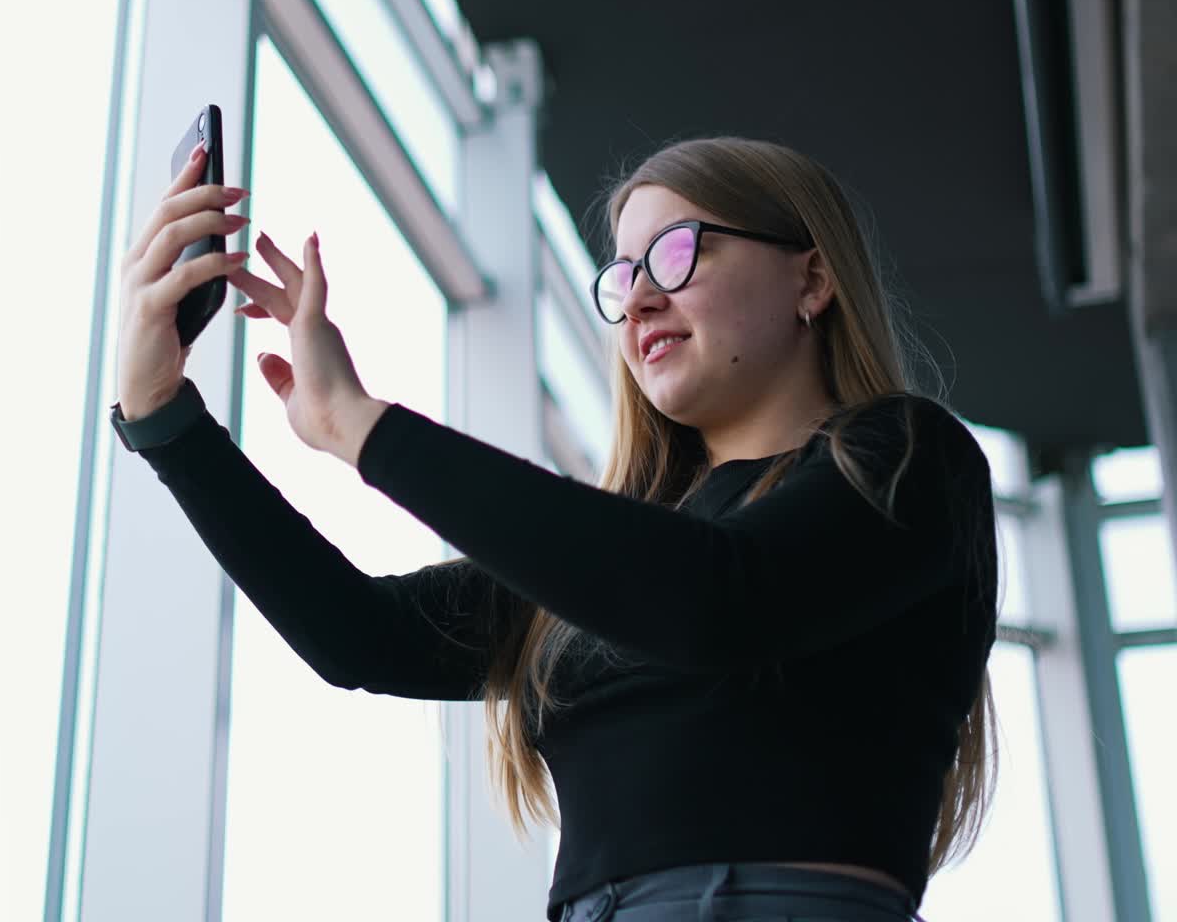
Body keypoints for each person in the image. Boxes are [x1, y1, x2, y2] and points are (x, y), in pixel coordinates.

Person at [113, 134, 999, 922]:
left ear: (810, 277)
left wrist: (363, 428)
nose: (641, 298)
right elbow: (363, 638)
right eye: (622, 278)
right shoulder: (626, 548)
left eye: (679, 252)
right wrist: (164, 420)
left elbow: (715, 599)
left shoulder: (908, 459)